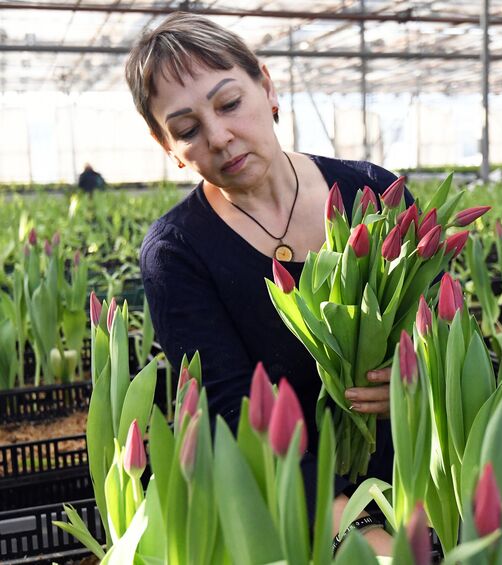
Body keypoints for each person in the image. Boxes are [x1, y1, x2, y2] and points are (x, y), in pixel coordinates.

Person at [125, 12, 407, 555]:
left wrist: (420, 375)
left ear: (266, 85)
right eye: (186, 129)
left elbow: (446, 336)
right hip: (292, 509)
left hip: (421, 475)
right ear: (167, 146)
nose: (220, 136)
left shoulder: (372, 194)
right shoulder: (178, 254)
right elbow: (236, 417)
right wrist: (362, 536)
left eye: (229, 103)